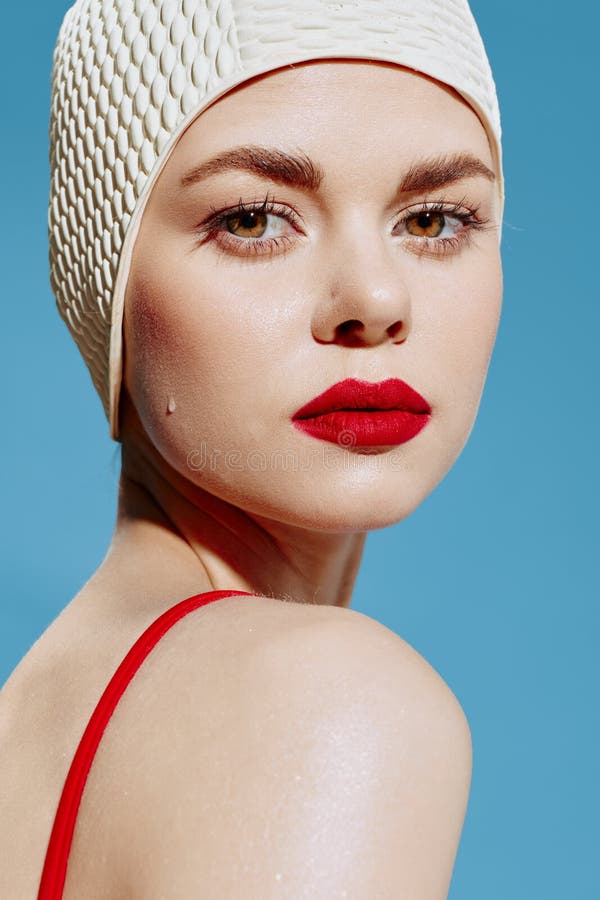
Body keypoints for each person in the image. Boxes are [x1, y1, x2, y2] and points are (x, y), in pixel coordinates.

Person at [1, 1, 504, 897]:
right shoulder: (322, 702)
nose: (375, 299)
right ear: (106, 283)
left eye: (432, 220)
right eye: (252, 219)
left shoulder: (36, 712)